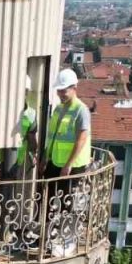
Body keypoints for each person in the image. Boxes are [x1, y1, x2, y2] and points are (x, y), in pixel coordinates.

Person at [42, 68, 92, 251]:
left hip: (73, 165)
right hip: (55, 161)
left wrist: (68, 165)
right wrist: (46, 157)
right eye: (59, 90)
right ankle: (48, 236)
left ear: (74, 88)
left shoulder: (81, 110)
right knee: (47, 199)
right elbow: (53, 136)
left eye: (64, 90)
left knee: (66, 202)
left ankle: (64, 240)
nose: (61, 94)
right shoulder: (59, 109)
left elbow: (81, 140)